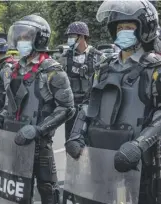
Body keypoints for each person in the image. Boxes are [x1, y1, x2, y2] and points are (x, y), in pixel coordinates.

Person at [65, 1, 161, 203]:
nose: (123, 32)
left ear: (144, 29)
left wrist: (139, 145)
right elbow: (89, 104)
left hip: (139, 162)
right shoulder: (104, 67)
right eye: (119, 28)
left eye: (129, 27)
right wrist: (75, 135)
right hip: (100, 157)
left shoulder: (154, 69)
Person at [0, 14, 75, 204]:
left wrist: (38, 129)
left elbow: (67, 108)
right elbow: (11, 106)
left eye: (26, 38)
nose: (21, 42)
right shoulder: (15, 69)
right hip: (14, 140)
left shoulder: (52, 70)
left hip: (39, 143)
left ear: (39, 39)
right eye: (20, 38)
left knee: (48, 189)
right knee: (15, 187)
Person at [59, 21, 104, 142]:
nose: (70, 39)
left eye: (72, 36)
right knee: (71, 141)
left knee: (91, 141)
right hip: (71, 107)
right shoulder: (64, 57)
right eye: (69, 37)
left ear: (82, 36)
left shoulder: (98, 57)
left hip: (91, 107)